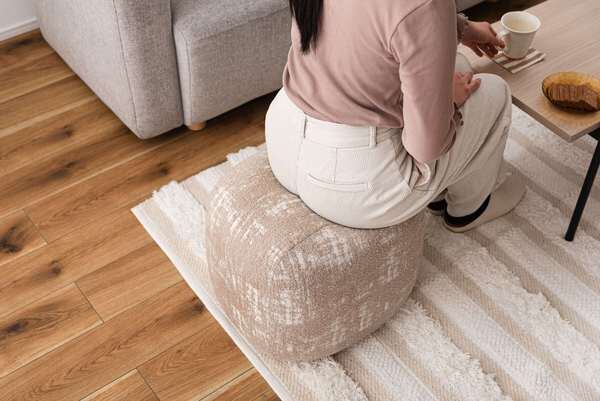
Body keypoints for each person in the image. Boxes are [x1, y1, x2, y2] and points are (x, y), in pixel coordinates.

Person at [265, 0, 525, 232]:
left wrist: (458, 27)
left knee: (457, 67)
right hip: (353, 186)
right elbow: (427, 148)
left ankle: (439, 194)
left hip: (283, 140)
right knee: (494, 92)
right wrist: (450, 101)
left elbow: (368, 19)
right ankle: (469, 209)